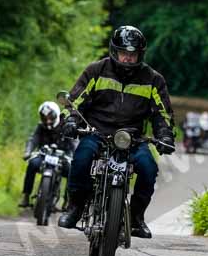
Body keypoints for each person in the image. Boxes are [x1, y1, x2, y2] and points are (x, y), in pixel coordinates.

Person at [58, 25, 175, 238]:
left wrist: (165, 135)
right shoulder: (96, 70)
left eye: (133, 54)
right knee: (81, 158)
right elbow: (75, 102)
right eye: (124, 53)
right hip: (96, 132)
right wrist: (71, 122)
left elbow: (162, 114)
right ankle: (74, 207)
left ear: (140, 54)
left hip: (133, 139)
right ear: (114, 51)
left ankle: (137, 218)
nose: (128, 58)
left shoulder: (153, 79)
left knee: (149, 168)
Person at [19, 101, 74, 208]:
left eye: (50, 117)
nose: (48, 120)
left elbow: (74, 143)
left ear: (56, 115)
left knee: (72, 171)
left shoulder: (65, 126)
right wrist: (28, 151)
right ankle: (26, 196)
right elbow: (33, 139)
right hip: (44, 156)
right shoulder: (40, 127)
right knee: (32, 164)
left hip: (63, 159)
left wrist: (75, 157)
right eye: (44, 118)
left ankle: (68, 201)